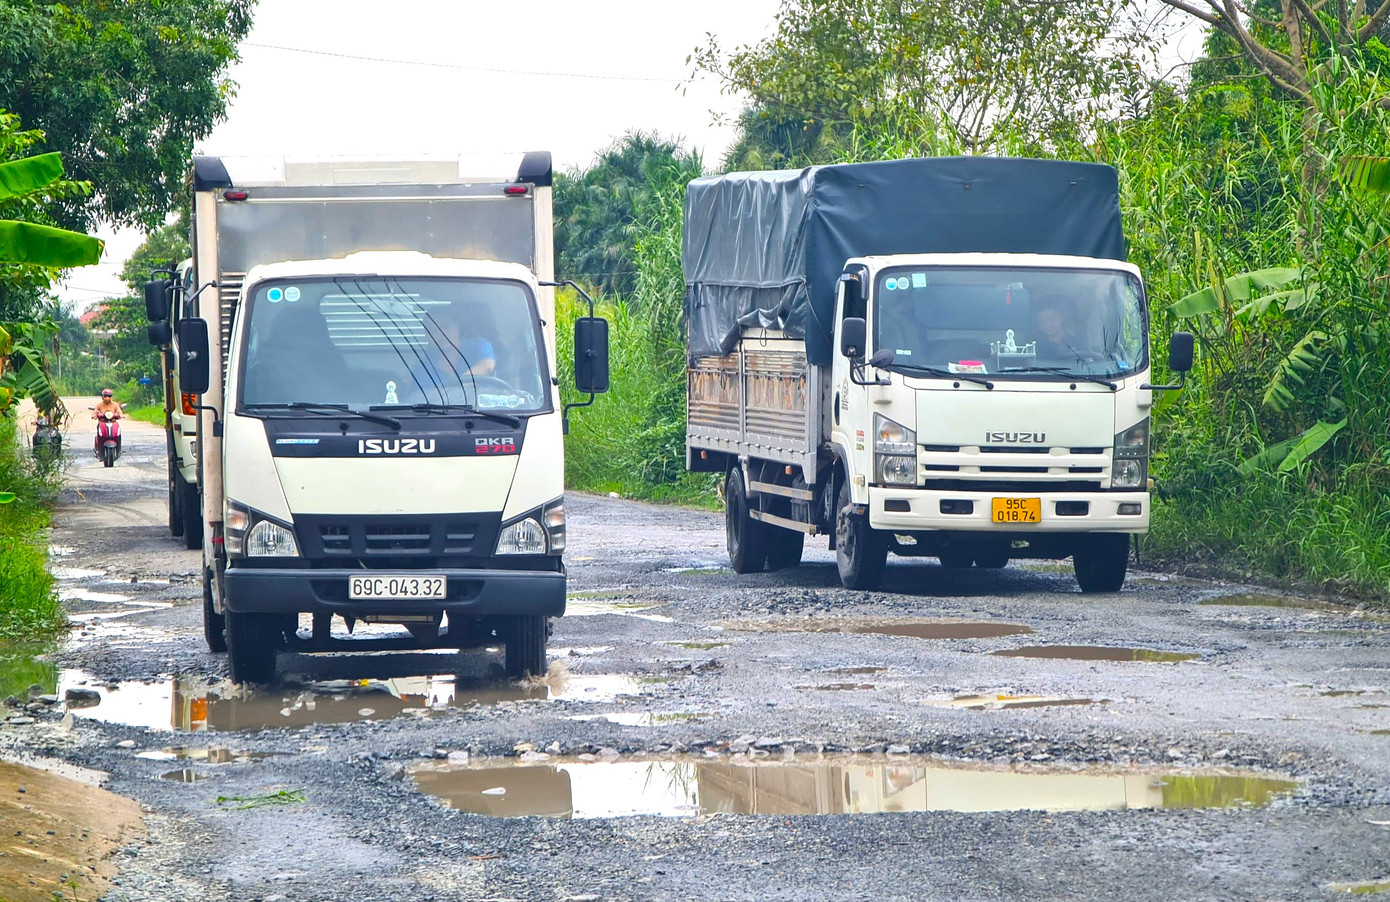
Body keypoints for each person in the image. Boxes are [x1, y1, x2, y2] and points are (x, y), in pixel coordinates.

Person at [1030, 296, 1096, 362]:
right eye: (1043, 322)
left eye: (1052, 319)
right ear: (1039, 325)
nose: (1048, 325)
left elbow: (1089, 360)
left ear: (1060, 317)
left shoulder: (1077, 341)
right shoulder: (1037, 346)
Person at [91, 388, 122, 456]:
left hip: (113, 422)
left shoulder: (115, 405)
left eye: (109, 396)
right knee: (100, 434)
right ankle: (98, 449)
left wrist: (120, 415)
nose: (107, 398)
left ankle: (119, 449)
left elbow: (119, 412)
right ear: (102, 397)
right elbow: (95, 412)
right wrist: (94, 415)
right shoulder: (99, 405)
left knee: (118, 433)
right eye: (105, 396)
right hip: (103, 422)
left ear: (111, 397)